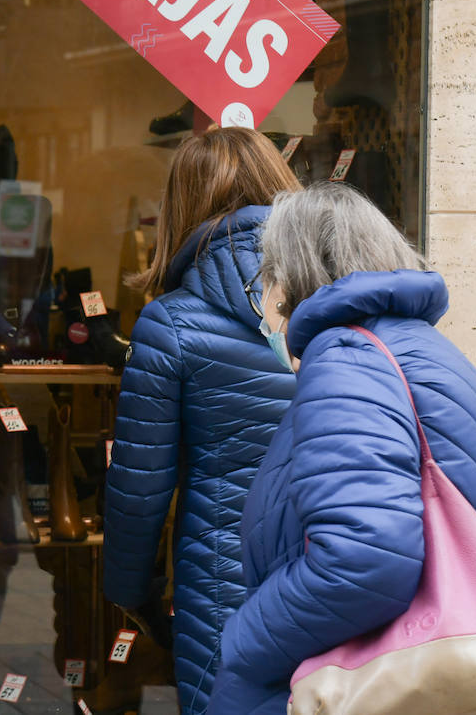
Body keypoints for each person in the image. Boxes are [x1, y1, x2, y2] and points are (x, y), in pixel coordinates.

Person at [207, 183, 476, 714]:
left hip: (338, 684)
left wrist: (245, 643)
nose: (262, 304)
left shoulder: (347, 354)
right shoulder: (425, 352)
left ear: (292, 279)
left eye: (265, 278)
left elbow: (363, 558)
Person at [103, 127, 303, 715]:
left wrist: (131, 593)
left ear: (181, 207)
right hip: (336, 572)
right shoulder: (337, 297)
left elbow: (140, 487)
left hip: (225, 588)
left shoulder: (172, 324)